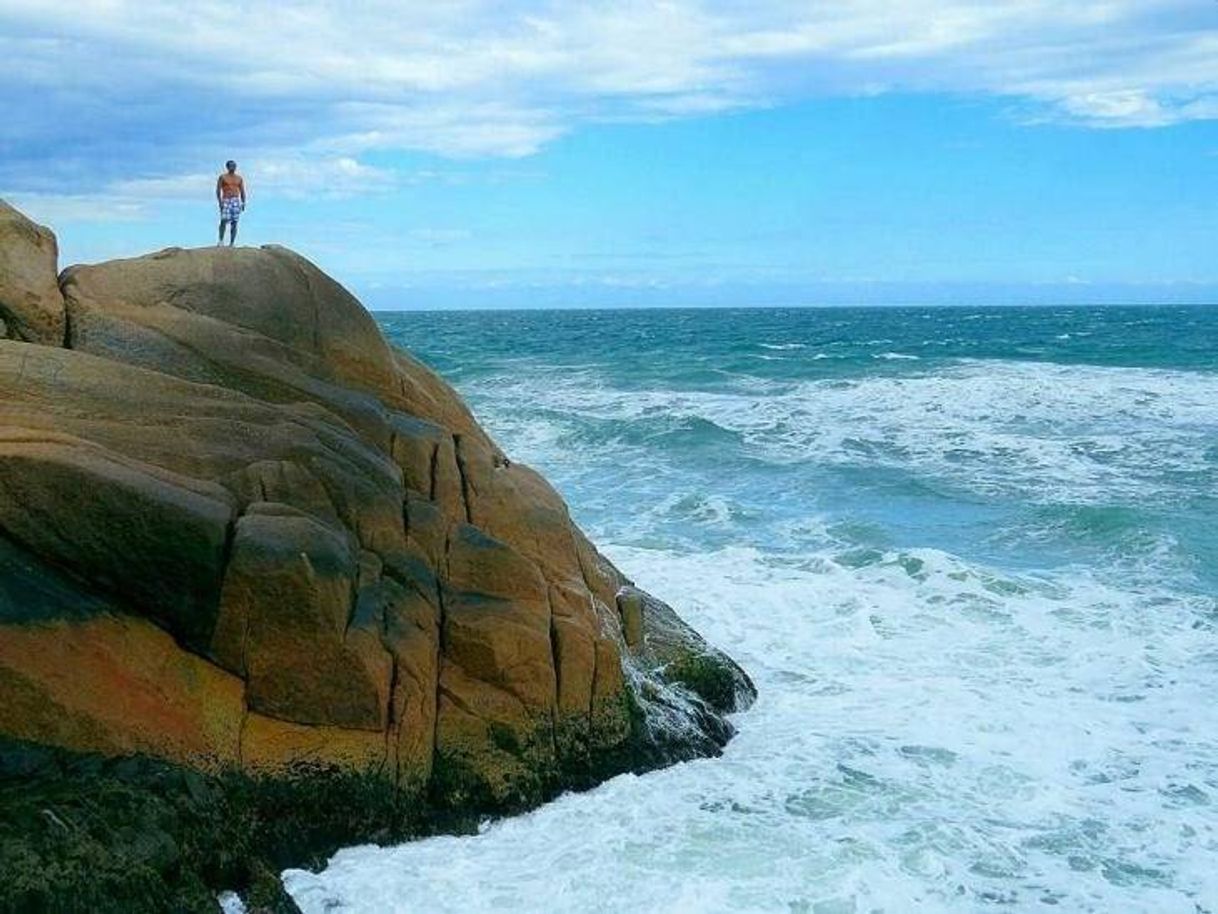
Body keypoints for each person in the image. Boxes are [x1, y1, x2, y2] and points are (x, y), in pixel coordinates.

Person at [216, 160, 246, 246]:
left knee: (235, 221)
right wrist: (220, 202)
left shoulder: (239, 178)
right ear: (227, 167)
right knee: (224, 220)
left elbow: (242, 190)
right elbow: (218, 190)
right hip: (226, 199)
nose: (233, 167)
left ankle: (232, 243)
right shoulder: (223, 177)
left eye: (234, 166)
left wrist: (243, 202)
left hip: (236, 200)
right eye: (231, 166)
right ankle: (221, 240)